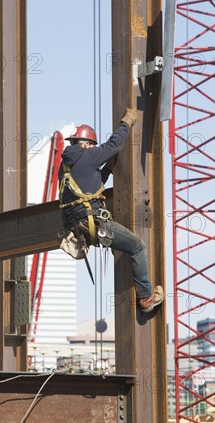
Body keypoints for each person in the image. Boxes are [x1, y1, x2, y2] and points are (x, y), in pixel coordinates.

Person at [58, 107, 164, 313]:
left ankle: (144, 294)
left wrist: (105, 170)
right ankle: (146, 298)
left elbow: (89, 187)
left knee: (129, 244)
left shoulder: (67, 166)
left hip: (78, 225)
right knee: (138, 247)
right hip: (92, 220)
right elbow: (114, 145)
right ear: (87, 144)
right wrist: (127, 122)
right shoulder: (88, 154)